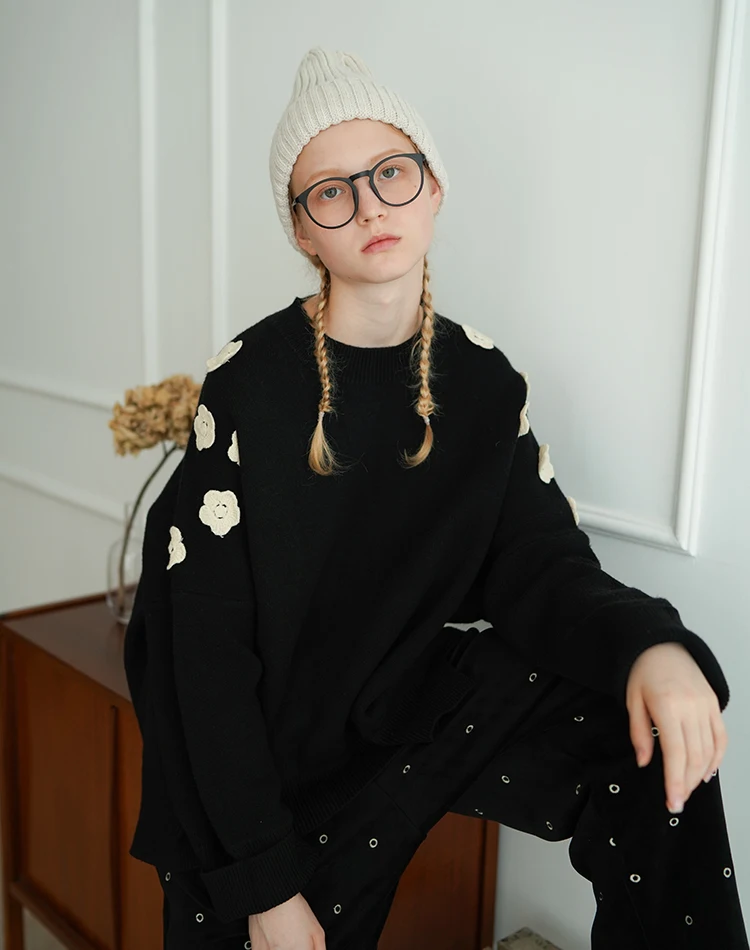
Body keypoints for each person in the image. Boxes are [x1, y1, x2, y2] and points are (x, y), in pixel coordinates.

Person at [122, 46, 749, 950]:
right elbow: (203, 656)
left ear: (434, 187)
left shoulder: (483, 382)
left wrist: (653, 645)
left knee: (648, 726)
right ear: (303, 233)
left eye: (392, 172)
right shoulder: (250, 386)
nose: (370, 205)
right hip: (268, 765)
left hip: (404, 715)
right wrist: (264, 884)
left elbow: (541, 565)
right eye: (331, 191)